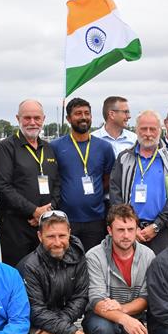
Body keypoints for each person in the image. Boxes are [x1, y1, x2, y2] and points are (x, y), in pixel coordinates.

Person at [83, 204, 159, 334]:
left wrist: (123, 311)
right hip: (102, 318)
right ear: (109, 230)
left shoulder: (148, 255)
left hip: (134, 318)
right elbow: (97, 301)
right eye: (120, 230)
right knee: (104, 328)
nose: (126, 235)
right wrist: (124, 319)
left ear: (136, 229)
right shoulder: (94, 256)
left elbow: (146, 298)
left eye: (130, 229)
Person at [16, 210, 91, 334]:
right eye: (50, 236)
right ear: (40, 236)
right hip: (28, 325)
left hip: (59, 323)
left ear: (69, 233)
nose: (57, 242)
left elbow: (81, 298)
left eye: (62, 235)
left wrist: (60, 327)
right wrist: (70, 332)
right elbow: (35, 311)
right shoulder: (30, 266)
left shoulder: (78, 258)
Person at [0, 99, 60, 267]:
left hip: (45, 225)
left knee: (46, 273)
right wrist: (33, 211)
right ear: (18, 118)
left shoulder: (48, 148)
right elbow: (1, 187)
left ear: (43, 119)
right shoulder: (6, 148)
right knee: (18, 276)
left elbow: (57, 184)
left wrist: (46, 212)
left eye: (37, 118)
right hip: (16, 228)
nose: (32, 122)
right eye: (27, 118)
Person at [109, 110, 168, 254]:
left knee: (160, 274)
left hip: (161, 231)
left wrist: (157, 226)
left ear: (160, 130)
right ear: (136, 130)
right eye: (143, 129)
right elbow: (115, 193)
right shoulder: (124, 158)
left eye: (152, 129)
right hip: (130, 231)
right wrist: (131, 225)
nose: (148, 133)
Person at [50, 97, 115, 252]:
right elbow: (54, 179)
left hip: (96, 219)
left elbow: (108, 179)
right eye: (78, 113)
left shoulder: (104, 147)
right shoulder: (56, 147)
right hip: (65, 219)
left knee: (92, 264)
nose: (83, 117)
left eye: (87, 113)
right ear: (68, 118)